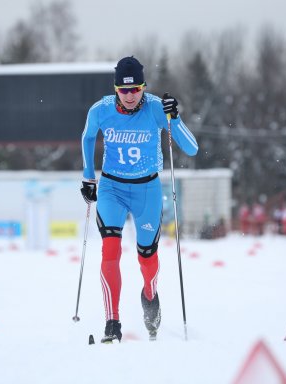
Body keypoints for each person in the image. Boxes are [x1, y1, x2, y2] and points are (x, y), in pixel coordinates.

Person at [80, 56, 198, 343]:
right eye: (124, 90)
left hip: (147, 190)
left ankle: (149, 293)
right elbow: (87, 137)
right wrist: (88, 176)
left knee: (147, 257)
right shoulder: (101, 109)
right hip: (112, 188)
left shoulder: (158, 108)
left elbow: (192, 149)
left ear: (144, 87)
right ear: (116, 88)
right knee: (110, 249)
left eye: (136, 90)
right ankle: (112, 321)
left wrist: (175, 117)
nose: (130, 96)